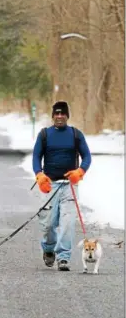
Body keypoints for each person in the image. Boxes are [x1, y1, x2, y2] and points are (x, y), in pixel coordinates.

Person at [32, 101, 92, 271]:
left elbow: (87, 157)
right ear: (53, 116)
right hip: (49, 186)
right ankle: (49, 249)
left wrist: (80, 172)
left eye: (63, 114)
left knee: (67, 223)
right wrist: (39, 175)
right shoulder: (44, 135)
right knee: (48, 224)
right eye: (56, 114)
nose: (60, 116)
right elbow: (36, 157)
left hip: (69, 187)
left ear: (67, 116)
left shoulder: (75, 134)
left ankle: (63, 257)